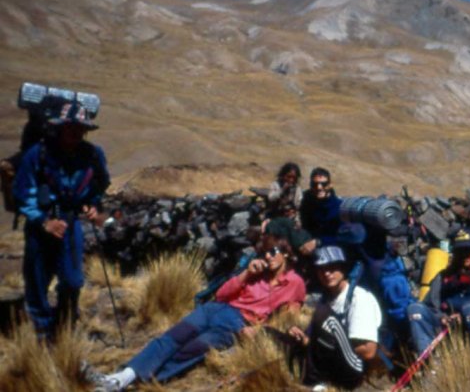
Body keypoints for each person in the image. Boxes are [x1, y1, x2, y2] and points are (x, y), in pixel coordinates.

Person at [93, 225, 306, 391]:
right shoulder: (256, 271)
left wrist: (259, 332)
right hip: (216, 309)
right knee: (174, 337)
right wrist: (246, 274)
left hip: (240, 323)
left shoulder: (295, 284)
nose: (268, 257)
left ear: (286, 252)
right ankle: (123, 376)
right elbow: (222, 294)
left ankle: (143, 381)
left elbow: (287, 319)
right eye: (265, 252)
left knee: (194, 348)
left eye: (274, 251)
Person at [13, 100, 110, 338]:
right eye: (71, 127)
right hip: (40, 227)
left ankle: (64, 324)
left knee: (73, 280)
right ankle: (43, 333)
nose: (76, 133)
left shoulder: (92, 155)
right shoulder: (39, 153)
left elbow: (100, 184)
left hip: (70, 223)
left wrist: (93, 206)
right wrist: (44, 222)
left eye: (81, 129)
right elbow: (23, 192)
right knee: (37, 281)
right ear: (60, 127)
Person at [286, 246, 382, 390]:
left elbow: (368, 352)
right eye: (321, 269)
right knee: (274, 335)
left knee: (326, 317)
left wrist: (324, 346)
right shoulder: (327, 298)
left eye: (332, 267)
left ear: (343, 269)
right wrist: (304, 339)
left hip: (355, 369)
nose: (327, 273)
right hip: (332, 361)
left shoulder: (359, 298)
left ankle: (317, 383)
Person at [407, 226, 470, 362]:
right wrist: (442, 317)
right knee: (415, 309)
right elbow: (428, 305)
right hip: (444, 331)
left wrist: (465, 317)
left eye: (468, 251)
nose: (464, 256)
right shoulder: (442, 279)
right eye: (460, 251)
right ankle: (428, 362)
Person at [298, 167, 342, 253]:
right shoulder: (307, 201)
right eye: (315, 184)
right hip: (307, 242)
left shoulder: (338, 207)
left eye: (323, 184)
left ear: (330, 185)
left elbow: (341, 237)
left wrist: (318, 242)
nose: (319, 187)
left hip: (330, 247)